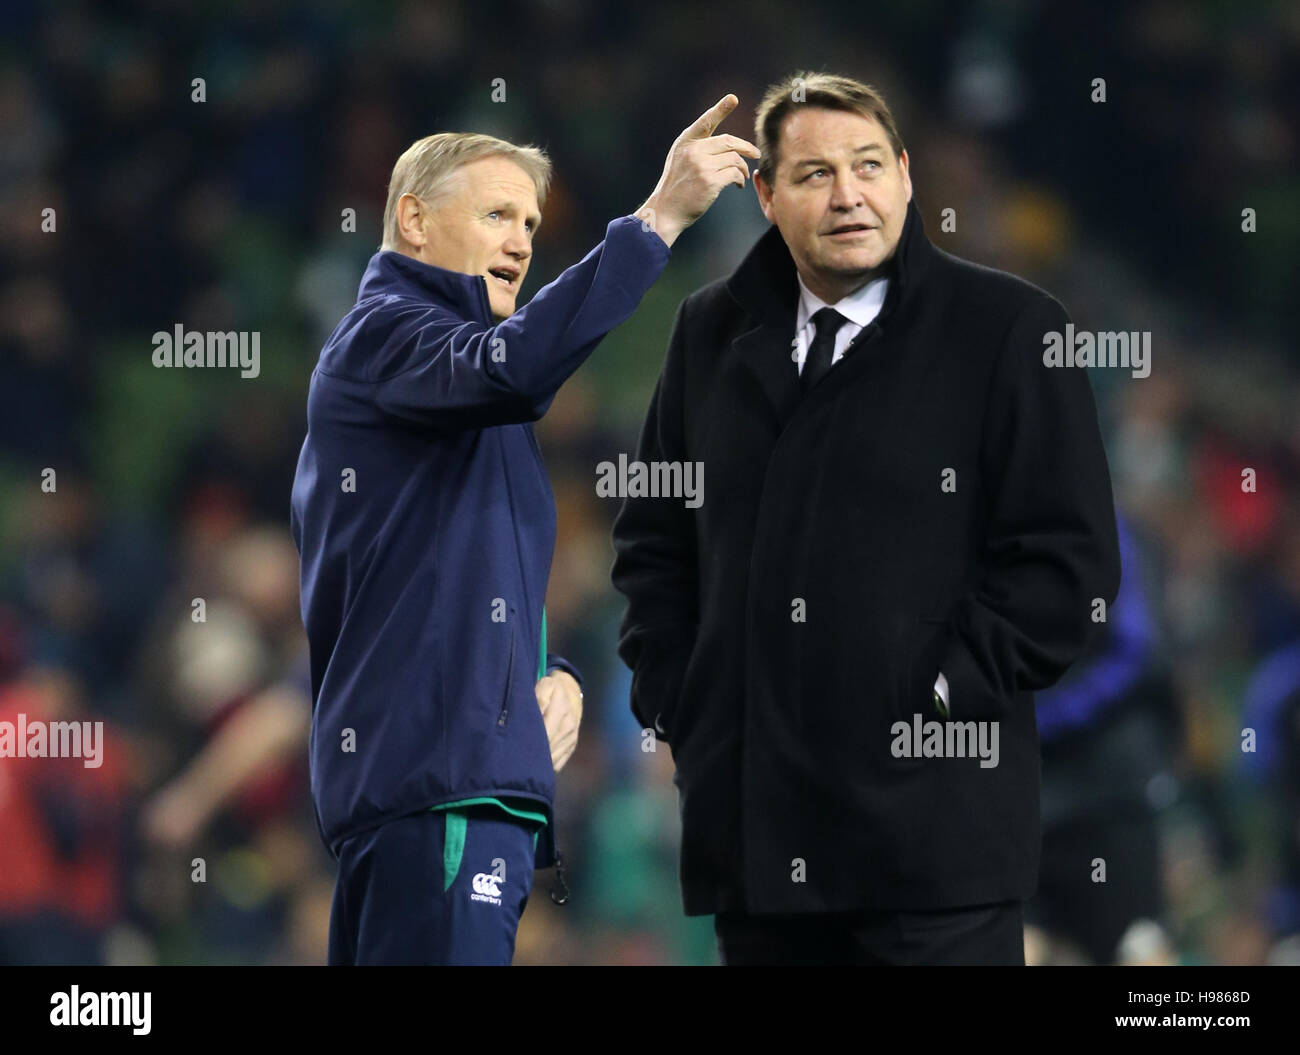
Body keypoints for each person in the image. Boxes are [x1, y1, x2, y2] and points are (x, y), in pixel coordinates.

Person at [611, 72, 1121, 965]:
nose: (848, 194)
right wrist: (688, 703)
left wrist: (934, 695)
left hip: (938, 862)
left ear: (908, 177)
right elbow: (653, 544)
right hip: (762, 862)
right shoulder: (706, 335)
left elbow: (1065, 573)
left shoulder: (1011, 330)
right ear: (765, 195)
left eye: (869, 166)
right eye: (813, 174)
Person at [290, 96, 760, 965]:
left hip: (449, 786)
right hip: (441, 793)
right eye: (498, 213)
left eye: (532, 223)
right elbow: (520, 365)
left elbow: (455, 581)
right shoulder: (389, 339)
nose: (521, 241)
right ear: (414, 219)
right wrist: (658, 220)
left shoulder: (447, 389)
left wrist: (553, 675)